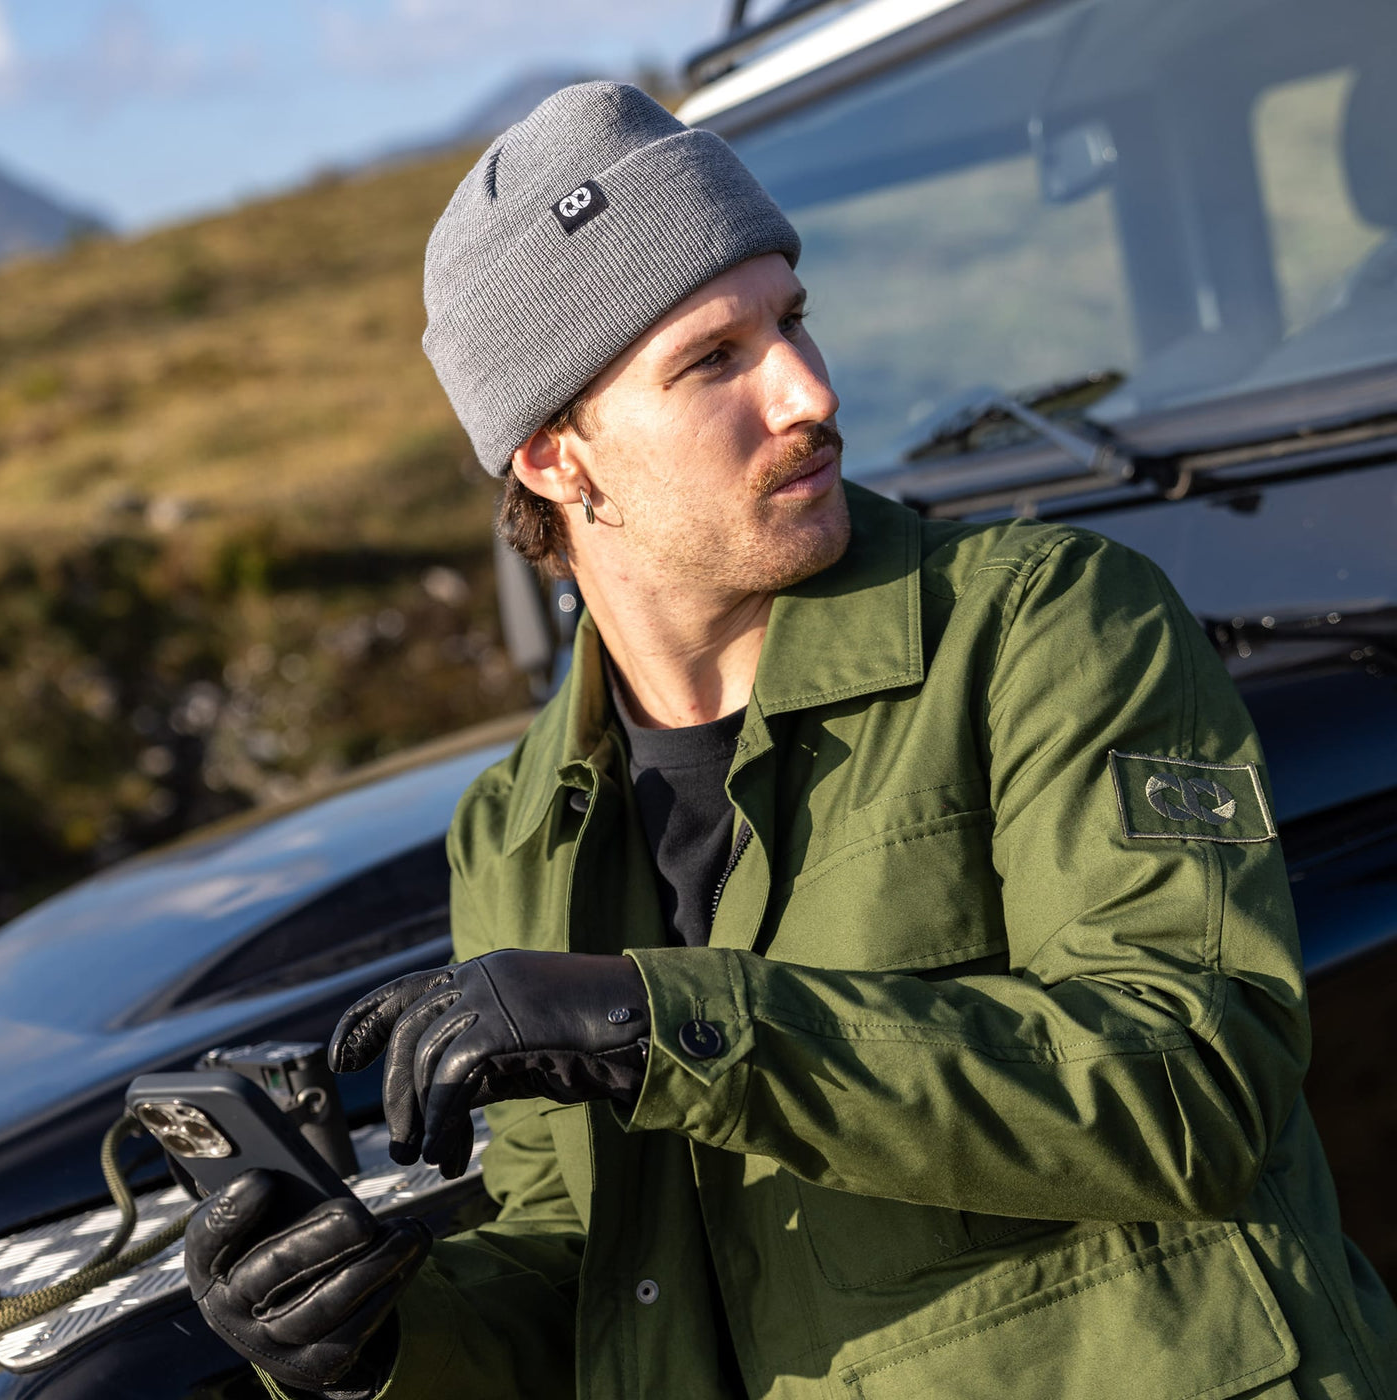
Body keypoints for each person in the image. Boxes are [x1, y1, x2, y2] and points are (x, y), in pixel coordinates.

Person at [183, 82, 1397, 1400]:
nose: (809, 391)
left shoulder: (1049, 627)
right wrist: (371, 1340)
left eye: (794, 321)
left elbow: (1196, 1078)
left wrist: (667, 1026)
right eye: (716, 359)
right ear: (554, 461)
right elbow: (591, 1269)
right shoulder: (518, 828)